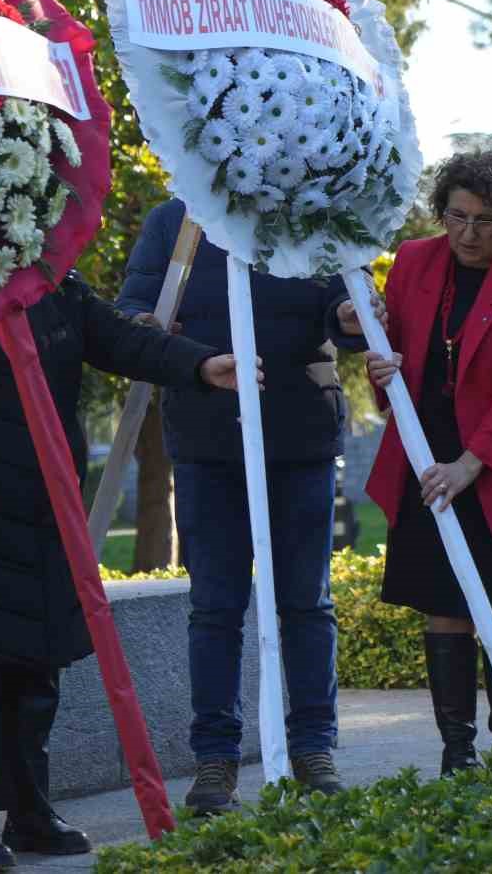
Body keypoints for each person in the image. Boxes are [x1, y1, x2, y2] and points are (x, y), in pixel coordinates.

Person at [0, 270, 255, 870]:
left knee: (37, 671)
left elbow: (116, 337)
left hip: (42, 509)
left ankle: (29, 812)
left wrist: (201, 364)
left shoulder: (48, 280)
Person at [115, 197, 370, 814]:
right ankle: (215, 763)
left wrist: (349, 313)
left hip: (299, 437)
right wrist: (146, 326)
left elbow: (347, 311)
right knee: (215, 608)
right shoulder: (175, 221)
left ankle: (313, 749)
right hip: (207, 439)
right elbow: (132, 311)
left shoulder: (311, 213)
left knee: (306, 602)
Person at [361, 142, 492, 775]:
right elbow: (390, 371)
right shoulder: (412, 264)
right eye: (456, 216)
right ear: (440, 211)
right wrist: (380, 366)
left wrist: (470, 465)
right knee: (444, 608)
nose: (468, 233)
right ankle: (458, 755)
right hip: (425, 462)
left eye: (484, 220)